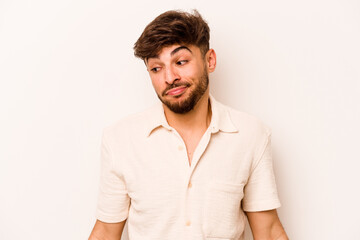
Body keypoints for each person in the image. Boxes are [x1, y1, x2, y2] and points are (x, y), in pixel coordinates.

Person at [89, 9, 288, 240]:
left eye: (181, 61)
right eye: (156, 68)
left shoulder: (251, 135)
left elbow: (269, 231)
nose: (169, 77)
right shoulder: (120, 139)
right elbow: (105, 232)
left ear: (209, 60)